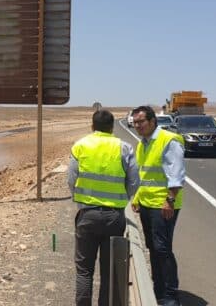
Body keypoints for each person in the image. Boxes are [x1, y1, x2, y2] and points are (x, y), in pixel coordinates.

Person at [67, 109, 139, 306]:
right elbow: (134, 182)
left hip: (87, 215)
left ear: (92, 126)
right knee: (109, 271)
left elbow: (71, 179)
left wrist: (81, 199)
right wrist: (121, 198)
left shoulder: (81, 145)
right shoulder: (124, 148)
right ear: (112, 127)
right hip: (114, 217)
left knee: (84, 271)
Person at [130, 105, 186, 306]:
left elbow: (176, 174)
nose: (137, 126)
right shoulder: (142, 143)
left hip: (163, 204)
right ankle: (158, 288)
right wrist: (137, 198)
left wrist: (169, 201)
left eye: (141, 122)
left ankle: (170, 296)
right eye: (135, 122)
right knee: (152, 247)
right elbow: (143, 176)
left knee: (162, 248)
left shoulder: (168, 141)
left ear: (152, 121)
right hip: (147, 203)